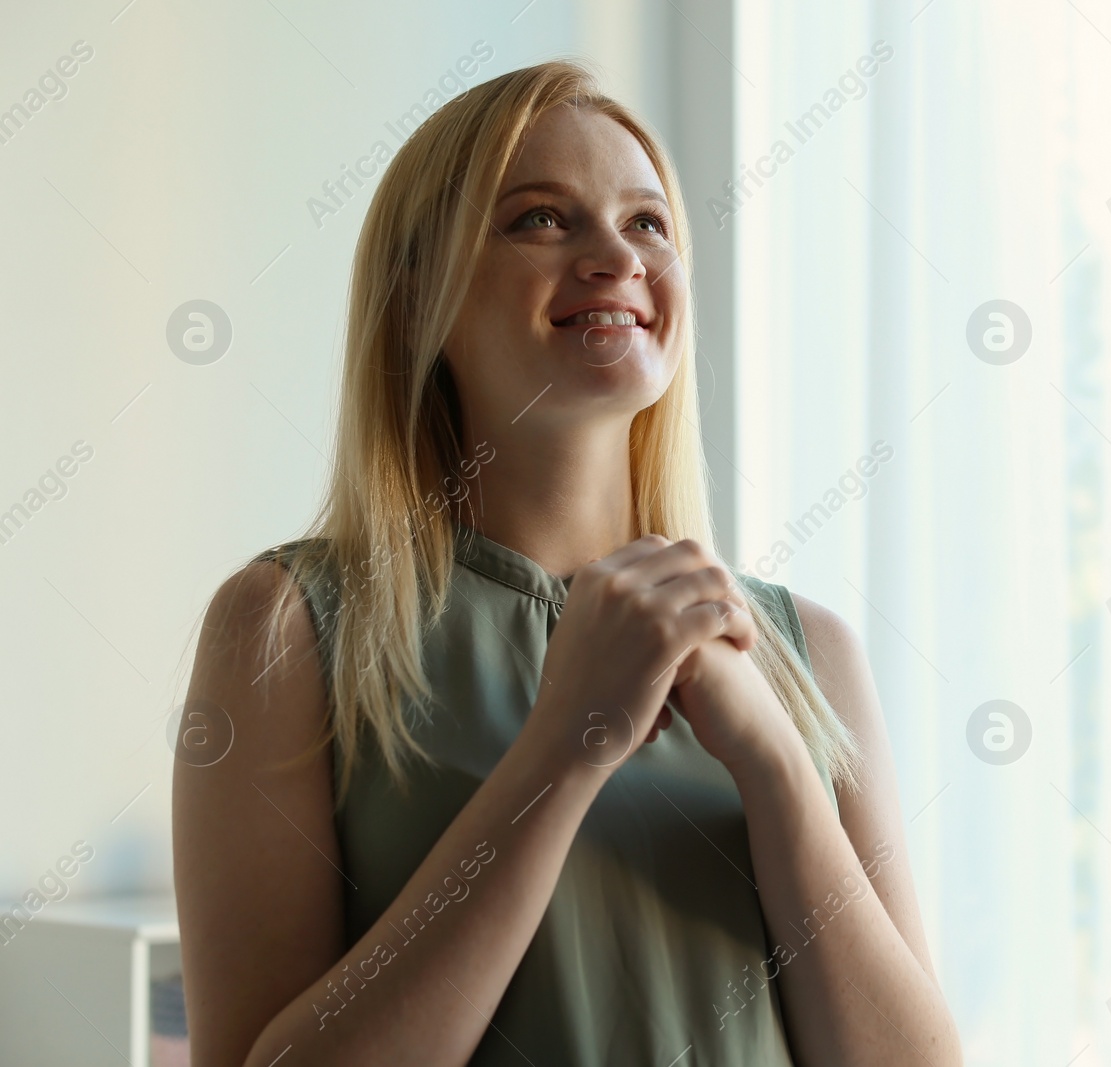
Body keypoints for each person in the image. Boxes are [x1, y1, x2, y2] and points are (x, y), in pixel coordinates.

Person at [172, 59, 961, 1066]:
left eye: (647, 223)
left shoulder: (811, 651)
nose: (614, 257)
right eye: (541, 219)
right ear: (419, 298)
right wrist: (566, 745)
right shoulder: (286, 624)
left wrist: (778, 768)